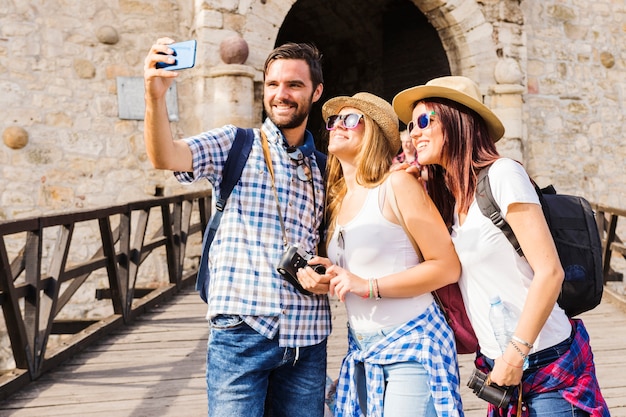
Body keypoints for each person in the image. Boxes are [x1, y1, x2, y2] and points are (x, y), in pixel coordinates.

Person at [392, 76, 610, 417]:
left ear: (457, 120)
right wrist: (409, 181)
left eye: (423, 121)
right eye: (409, 125)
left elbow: (550, 272)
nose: (413, 133)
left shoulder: (503, 174)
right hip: (500, 370)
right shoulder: (449, 199)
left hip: (545, 362)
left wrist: (514, 355)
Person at [143, 38, 331, 417]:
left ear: (316, 91)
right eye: (273, 84)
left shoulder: (326, 169)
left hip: (308, 338)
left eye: (294, 85)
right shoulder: (236, 144)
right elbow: (165, 155)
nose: (282, 94)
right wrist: (154, 97)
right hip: (242, 332)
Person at [297, 92, 464, 417]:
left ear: (373, 131)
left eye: (350, 119)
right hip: (362, 348)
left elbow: (446, 267)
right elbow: (364, 267)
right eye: (333, 121)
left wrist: (368, 285)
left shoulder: (397, 184)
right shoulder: (340, 200)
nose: (337, 126)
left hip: (412, 343)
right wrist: (332, 273)